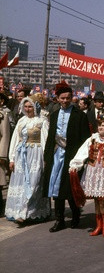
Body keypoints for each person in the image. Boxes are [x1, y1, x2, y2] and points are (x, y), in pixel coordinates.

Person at [43, 81, 91, 232]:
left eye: (68, 98)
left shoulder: (79, 116)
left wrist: (83, 159)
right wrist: (47, 155)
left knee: (70, 188)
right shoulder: (55, 114)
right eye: (62, 98)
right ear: (57, 98)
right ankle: (60, 220)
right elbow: (51, 137)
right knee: (56, 189)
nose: (65, 101)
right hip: (57, 155)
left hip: (72, 157)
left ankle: (76, 215)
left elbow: (85, 139)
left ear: (72, 98)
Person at [5, 96, 50, 224]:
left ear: (35, 107)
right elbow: (15, 140)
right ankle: (19, 211)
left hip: (35, 154)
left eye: (30, 106)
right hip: (21, 155)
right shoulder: (21, 121)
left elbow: (45, 140)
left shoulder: (42, 121)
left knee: (34, 183)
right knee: (21, 183)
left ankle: (30, 211)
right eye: (25, 106)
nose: (28, 109)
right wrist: (12, 158)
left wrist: (45, 158)